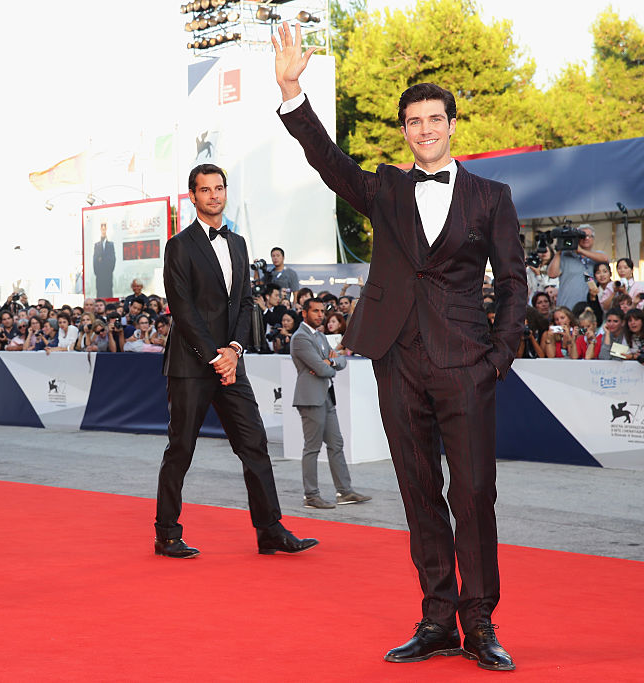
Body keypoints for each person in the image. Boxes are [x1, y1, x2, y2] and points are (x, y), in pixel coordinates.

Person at [273, 23, 524, 671]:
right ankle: (437, 618)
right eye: (412, 121)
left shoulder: (491, 198)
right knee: (418, 491)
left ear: (451, 124)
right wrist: (292, 92)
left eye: (434, 118)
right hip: (399, 361)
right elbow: (330, 163)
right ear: (405, 130)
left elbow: (515, 285)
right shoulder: (384, 188)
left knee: (473, 493)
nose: (423, 129)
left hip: (467, 364)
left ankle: (480, 621)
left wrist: (497, 357)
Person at [154, 162, 318, 560]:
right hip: (192, 366)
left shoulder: (239, 244)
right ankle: (166, 533)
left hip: (231, 362)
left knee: (254, 444)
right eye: (205, 190)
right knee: (182, 449)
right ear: (192, 197)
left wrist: (234, 351)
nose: (214, 195)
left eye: (220, 188)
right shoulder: (179, 246)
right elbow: (184, 310)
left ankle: (269, 530)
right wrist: (215, 355)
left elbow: (246, 303)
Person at [291, 298, 371, 509]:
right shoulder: (300, 338)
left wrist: (331, 361)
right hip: (310, 398)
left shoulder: (319, 336)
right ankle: (311, 495)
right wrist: (327, 363)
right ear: (304, 313)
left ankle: (344, 492)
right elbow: (322, 369)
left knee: (336, 444)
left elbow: (340, 361)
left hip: (325, 396)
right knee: (312, 448)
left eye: (322, 311)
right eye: (315, 311)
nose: (320, 315)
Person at [546, 225, 609, 311]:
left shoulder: (597, 256)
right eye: (582, 236)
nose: (586, 238)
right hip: (566, 308)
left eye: (589, 236)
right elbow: (552, 274)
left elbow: (605, 259)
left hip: (589, 310)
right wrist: (559, 250)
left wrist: (580, 251)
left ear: (593, 239)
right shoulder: (565, 255)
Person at [92, 221, 116, 298]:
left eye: (104, 229)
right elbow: (95, 260)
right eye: (102, 229)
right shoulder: (97, 245)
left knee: (108, 292)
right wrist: (98, 271)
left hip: (108, 274)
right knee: (100, 293)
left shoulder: (110, 244)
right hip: (99, 275)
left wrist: (102, 260)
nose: (103, 231)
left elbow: (112, 259)